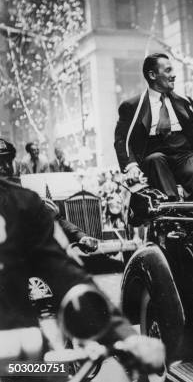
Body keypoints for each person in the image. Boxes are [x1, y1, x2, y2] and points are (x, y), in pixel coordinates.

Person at [0, 144, 165, 376]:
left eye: (5, 162)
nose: (4, 168)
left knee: (53, 373)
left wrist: (125, 338)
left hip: (22, 362)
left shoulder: (22, 204)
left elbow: (67, 278)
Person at [114, 53, 193, 201]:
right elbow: (122, 140)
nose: (174, 75)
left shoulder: (184, 102)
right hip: (154, 153)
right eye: (168, 70)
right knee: (156, 160)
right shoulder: (132, 106)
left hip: (183, 152)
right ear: (152, 75)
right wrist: (132, 166)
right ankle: (172, 211)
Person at [0, 138, 98, 254]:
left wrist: (81, 237)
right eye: (0, 163)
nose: (6, 167)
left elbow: (54, 219)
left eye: (8, 161)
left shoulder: (26, 197)